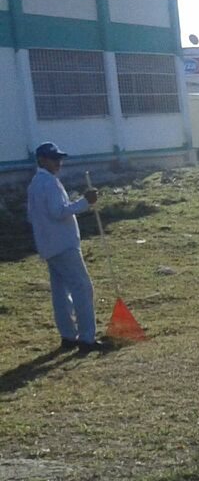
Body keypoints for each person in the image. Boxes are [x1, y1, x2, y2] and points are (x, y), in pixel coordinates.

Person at [26, 142, 104, 354]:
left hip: (48, 246)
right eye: (54, 158)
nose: (58, 162)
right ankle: (87, 338)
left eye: (59, 158)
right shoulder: (49, 183)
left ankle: (68, 336)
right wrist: (85, 202)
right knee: (82, 287)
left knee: (60, 292)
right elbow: (58, 211)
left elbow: (31, 216)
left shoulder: (34, 184)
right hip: (63, 245)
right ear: (42, 160)